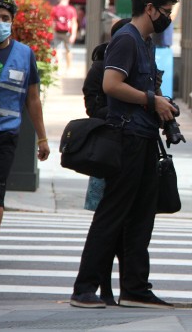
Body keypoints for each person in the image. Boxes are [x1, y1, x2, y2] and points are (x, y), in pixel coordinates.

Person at [70, 0, 178, 309]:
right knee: (112, 213)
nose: (167, 18)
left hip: (144, 137)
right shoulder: (126, 39)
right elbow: (111, 84)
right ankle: (85, 287)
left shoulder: (143, 41)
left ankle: (134, 288)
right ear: (150, 9)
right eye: (166, 12)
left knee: (142, 216)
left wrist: (160, 102)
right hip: (126, 137)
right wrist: (151, 100)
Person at [0, 0, 50, 274]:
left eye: (5, 19)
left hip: (5, 134)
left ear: (12, 22)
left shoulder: (25, 55)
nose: (0, 23)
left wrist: (43, 137)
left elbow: (32, 98)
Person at [80, 18, 131, 305]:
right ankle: (103, 286)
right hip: (107, 151)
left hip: (131, 151)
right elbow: (92, 107)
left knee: (127, 228)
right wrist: (121, 111)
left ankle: (125, 287)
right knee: (107, 224)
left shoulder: (139, 68)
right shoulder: (100, 69)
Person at [51, 0, 78, 70]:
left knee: (57, 50)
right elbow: (74, 23)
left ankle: (58, 67)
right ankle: (68, 68)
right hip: (68, 33)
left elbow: (53, 22)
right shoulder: (71, 9)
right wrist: (73, 34)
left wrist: (52, 32)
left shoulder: (55, 9)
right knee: (69, 50)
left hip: (57, 31)